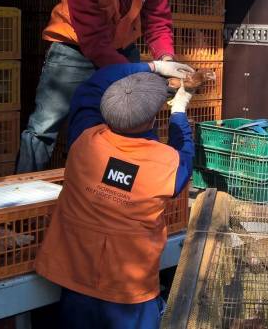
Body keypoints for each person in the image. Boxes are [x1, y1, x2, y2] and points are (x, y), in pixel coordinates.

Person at [35, 60, 194, 329]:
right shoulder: (167, 163)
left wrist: (153, 66)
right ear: (153, 119)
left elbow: (93, 84)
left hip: (73, 277)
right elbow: (186, 152)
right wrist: (179, 111)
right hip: (130, 294)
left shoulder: (84, 139)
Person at [17, 0, 175, 172]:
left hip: (124, 50)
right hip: (73, 51)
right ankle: (22, 196)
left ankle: (115, 195)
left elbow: (158, 21)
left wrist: (166, 59)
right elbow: (94, 42)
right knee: (44, 127)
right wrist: (144, 69)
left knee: (128, 124)